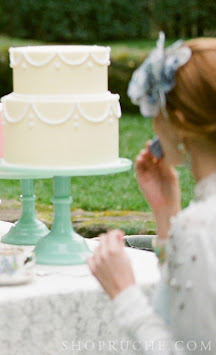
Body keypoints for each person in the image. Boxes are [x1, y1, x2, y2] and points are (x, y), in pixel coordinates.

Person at [87, 33, 216, 353]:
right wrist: (166, 213)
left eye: (157, 109)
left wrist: (124, 294)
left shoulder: (199, 226)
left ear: (180, 123)